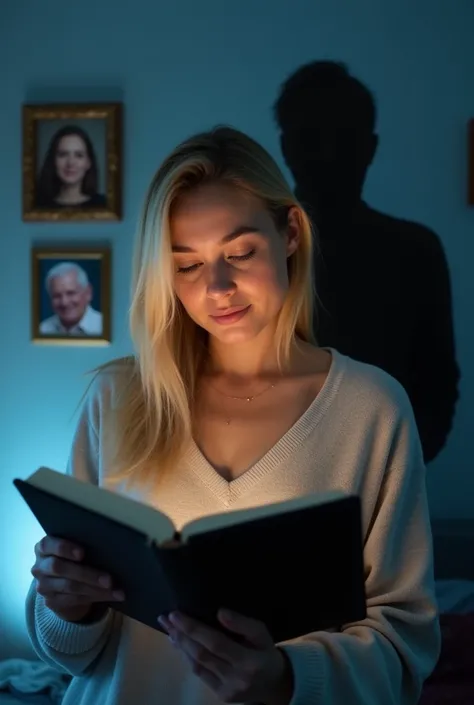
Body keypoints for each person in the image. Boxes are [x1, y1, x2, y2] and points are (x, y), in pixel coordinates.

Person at [26, 126, 440, 705]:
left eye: (240, 252)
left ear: (289, 232)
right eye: (187, 266)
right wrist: (67, 605)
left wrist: (287, 679)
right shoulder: (119, 399)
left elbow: (405, 649)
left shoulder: (372, 410)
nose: (218, 287)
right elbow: (68, 655)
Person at [273, 60, 460, 464]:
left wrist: (389, 463)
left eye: (343, 139)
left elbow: (437, 384)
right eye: (312, 139)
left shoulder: (415, 251)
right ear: (288, 147)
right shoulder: (254, 248)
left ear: (369, 148)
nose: (328, 156)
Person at [36, 125, 106, 208]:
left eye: (79, 155)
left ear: (88, 163)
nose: (71, 162)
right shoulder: (38, 206)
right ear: (53, 161)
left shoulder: (104, 204)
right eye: (63, 154)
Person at [39, 261, 103, 336]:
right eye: (57, 296)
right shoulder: (42, 330)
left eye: (71, 293)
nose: (64, 302)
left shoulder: (105, 327)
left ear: (88, 293)